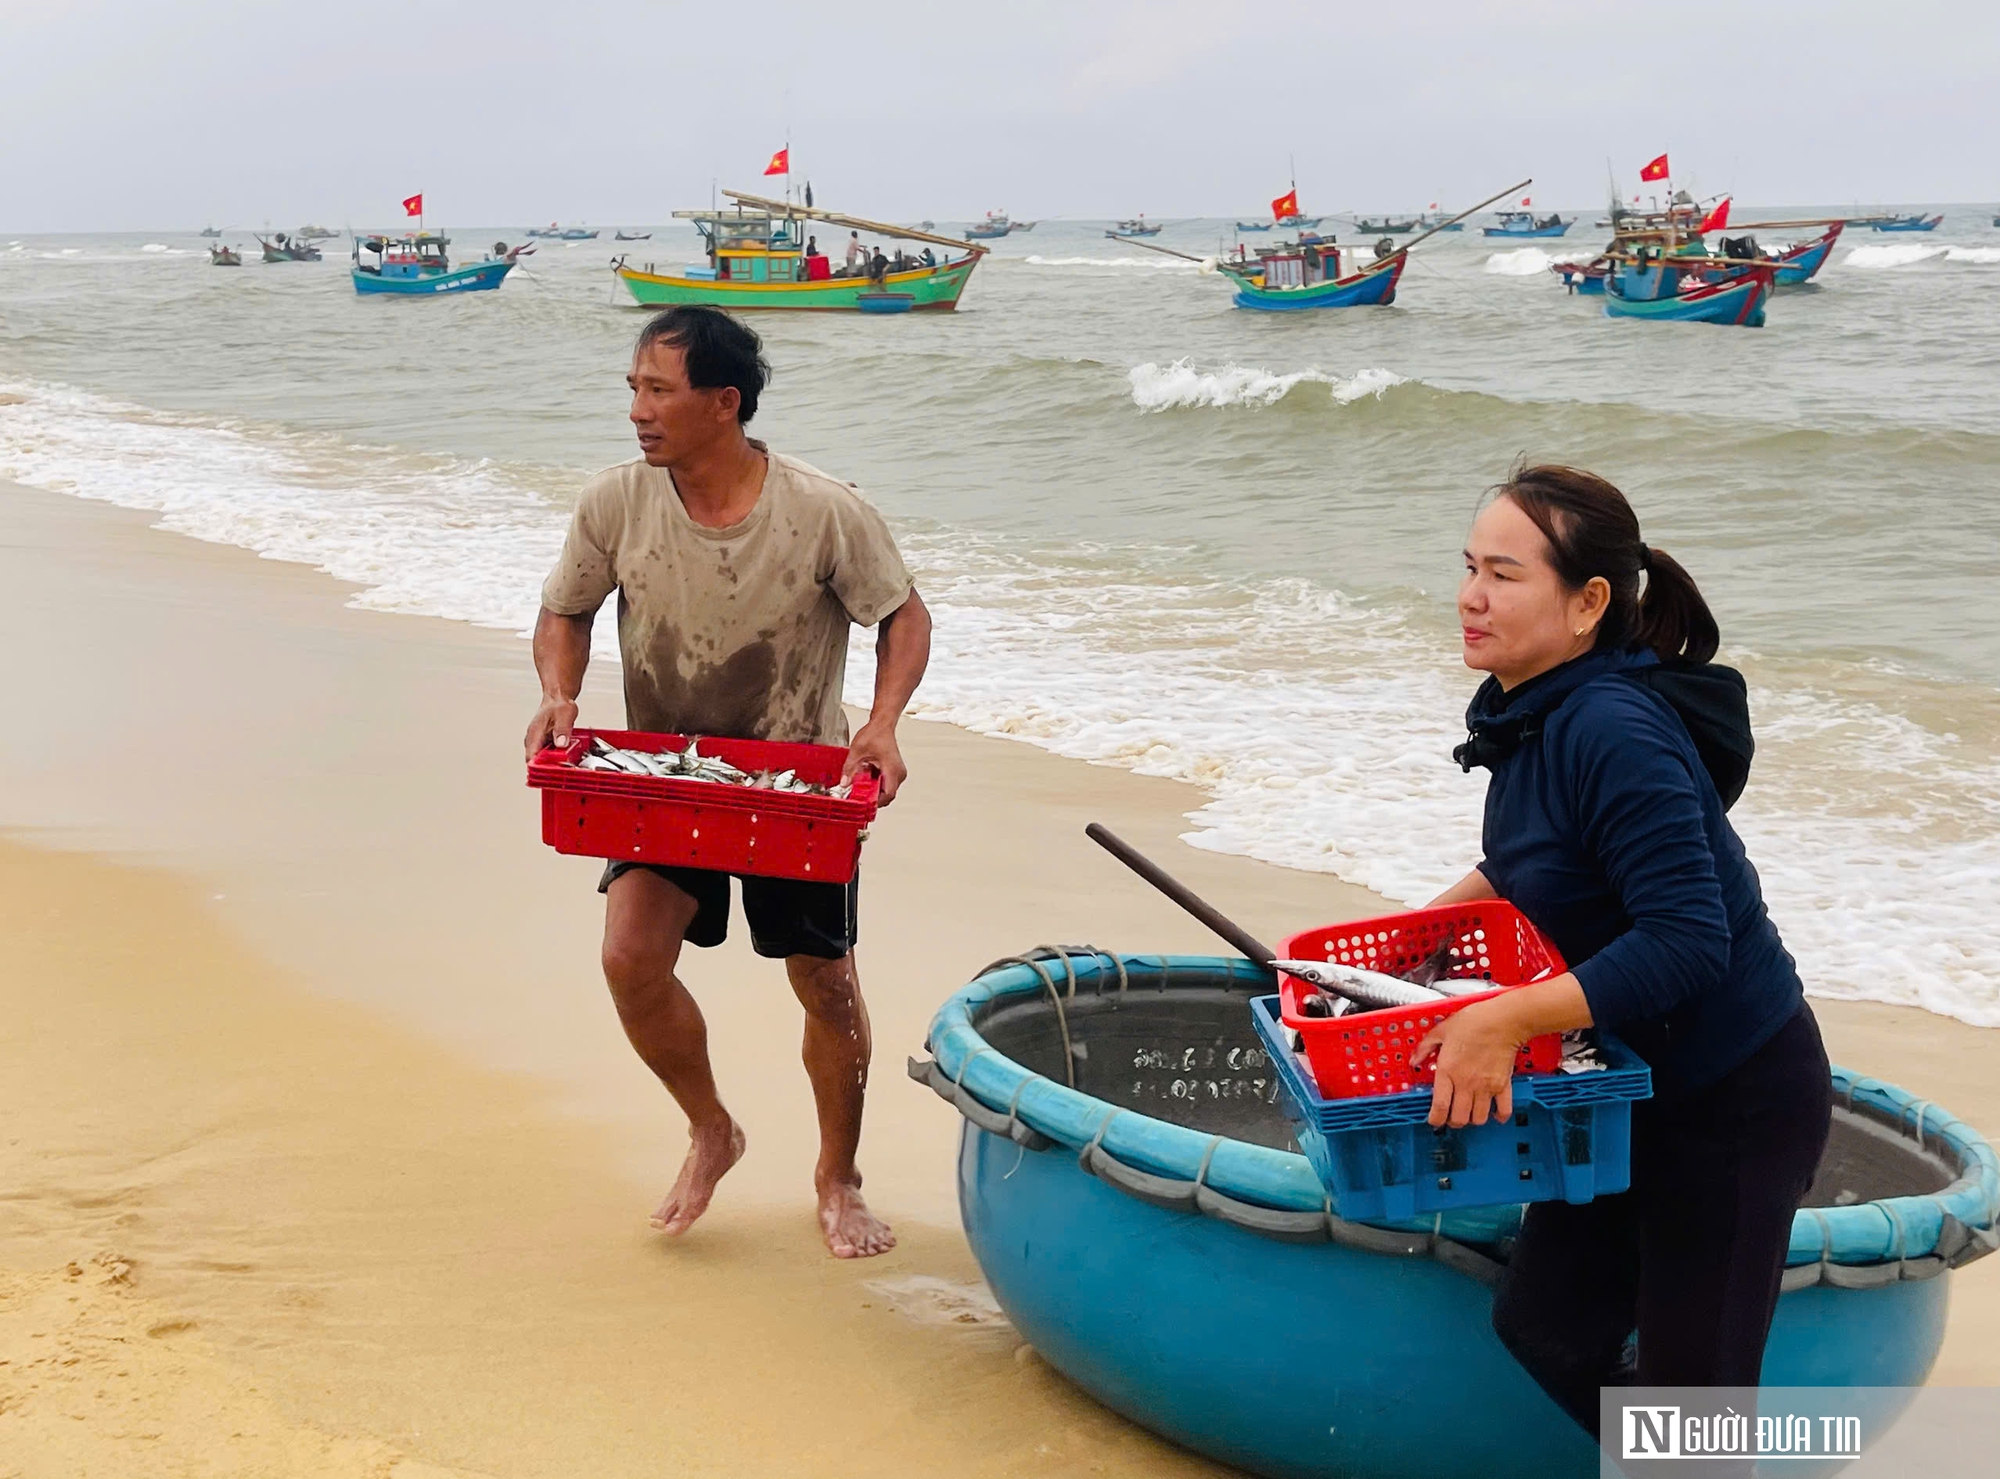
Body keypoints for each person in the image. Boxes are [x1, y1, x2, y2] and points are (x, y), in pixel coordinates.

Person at [1414, 464, 1831, 1432]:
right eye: (1468, 567)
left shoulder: (1610, 725)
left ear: (1587, 601)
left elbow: (1687, 942)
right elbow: (1528, 860)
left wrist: (1501, 1018)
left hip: (1731, 1099)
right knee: (1546, 1328)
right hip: (1622, 1081)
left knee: (1693, 1411)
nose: (1470, 597)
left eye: (1504, 575)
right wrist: (1409, 949)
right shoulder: (1535, 706)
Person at [525, 305, 933, 1259]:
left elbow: (903, 618)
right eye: (633, 388)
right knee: (630, 958)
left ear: (725, 402)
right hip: (663, 776)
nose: (638, 410)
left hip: (796, 784)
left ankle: (839, 1177)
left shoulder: (825, 508)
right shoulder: (614, 502)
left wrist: (880, 726)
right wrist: (558, 695)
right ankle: (713, 1127)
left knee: (825, 984)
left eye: (658, 390)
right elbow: (564, 610)